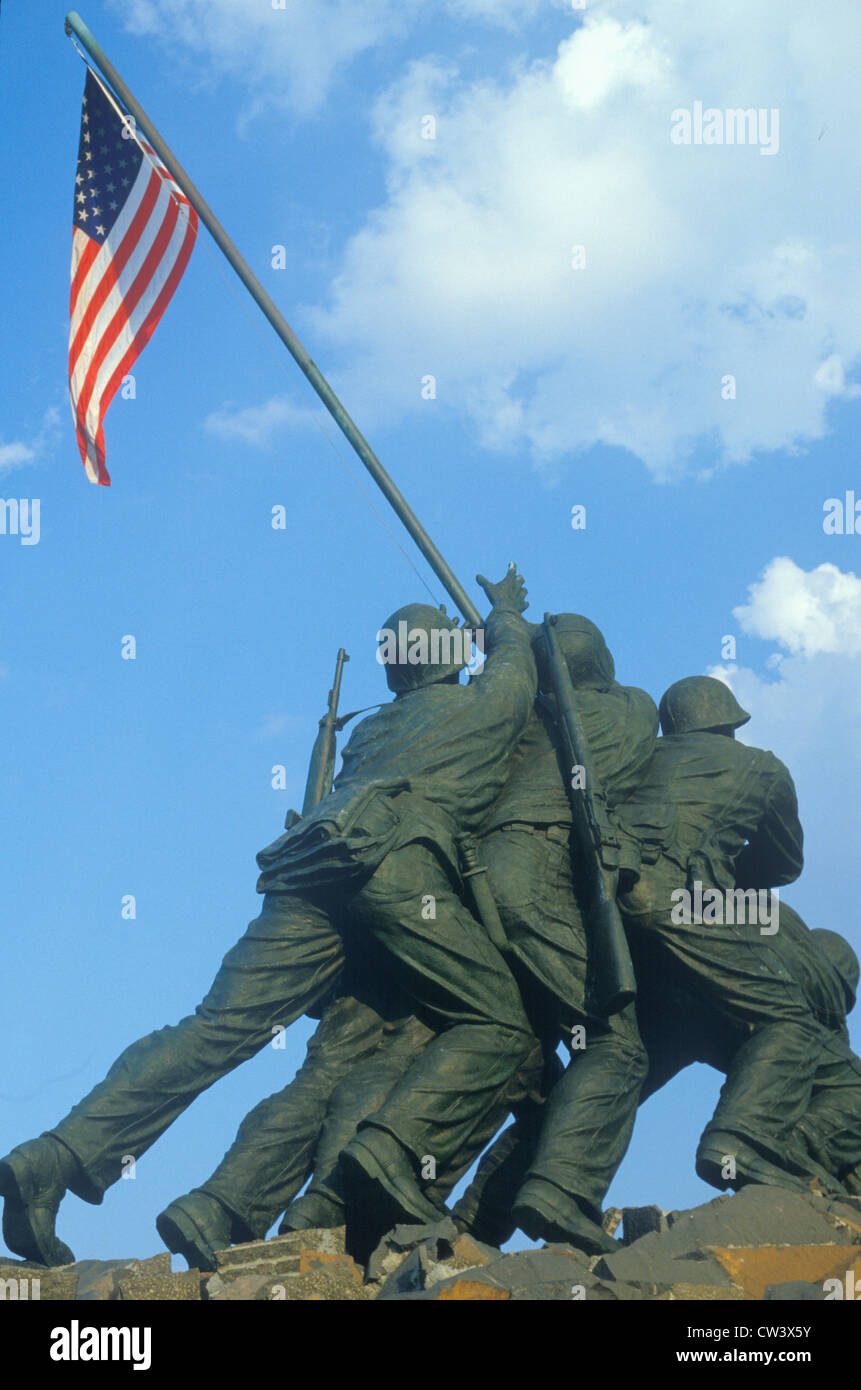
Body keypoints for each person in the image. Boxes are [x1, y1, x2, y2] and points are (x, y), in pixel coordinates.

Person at [0, 568, 537, 1268]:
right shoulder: (476, 710)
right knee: (501, 1024)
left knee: (215, 1028)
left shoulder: (371, 731)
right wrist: (504, 614)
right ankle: (389, 1159)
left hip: (308, 872)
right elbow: (516, 669)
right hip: (399, 873)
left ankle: (54, 1156)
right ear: (451, 658)